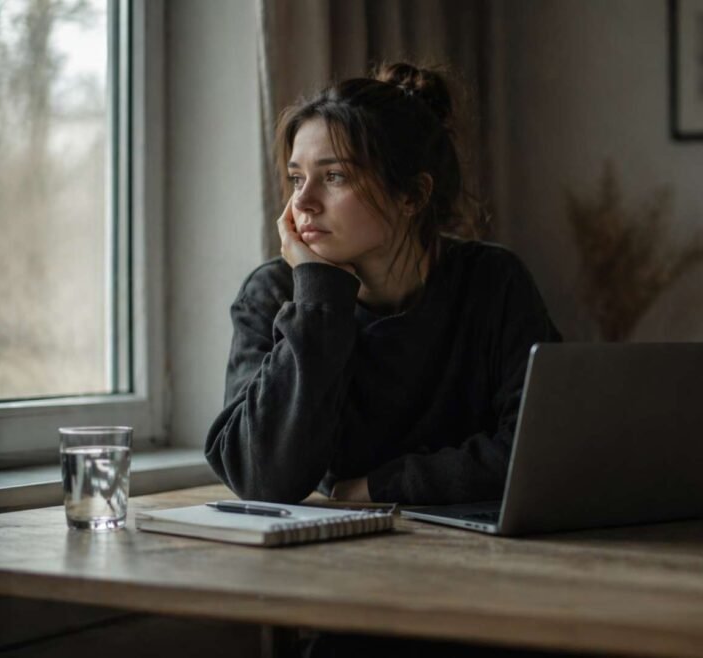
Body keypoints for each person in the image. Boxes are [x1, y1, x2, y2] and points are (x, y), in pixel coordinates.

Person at [205, 62, 561, 506]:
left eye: (334, 176)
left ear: (412, 195)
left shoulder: (493, 282)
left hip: (478, 541)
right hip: (335, 545)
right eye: (297, 178)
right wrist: (318, 296)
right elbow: (259, 479)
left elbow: (540, 450)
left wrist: (382, 487)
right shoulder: (273, 293)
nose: (303, 201)